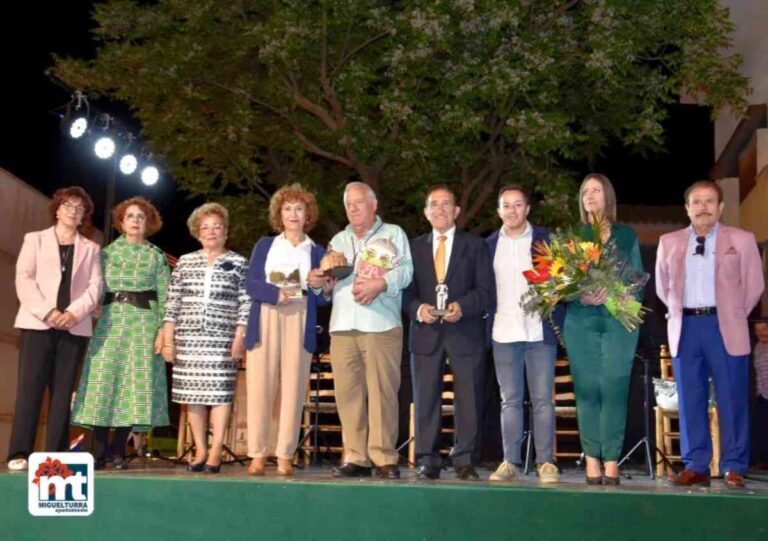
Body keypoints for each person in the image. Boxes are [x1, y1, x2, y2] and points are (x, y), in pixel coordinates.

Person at [656, 180, 764, 488]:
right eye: (697, 202)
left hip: (725, 326)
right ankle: (696, 465)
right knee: (690, 398)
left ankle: (734, 465)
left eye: (709, 201)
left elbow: (754, 285)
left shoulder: (741, 240)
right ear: (687, 208)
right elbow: (664, 287)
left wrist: (732, 314)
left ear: (720, 208)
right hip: (686, 327)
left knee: (732, 397)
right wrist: (680, 309)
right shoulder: (669, 241)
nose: (703, 207)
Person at [308, 182, 413, 479]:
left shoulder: (393, 234)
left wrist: (382, 283)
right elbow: (329, 288)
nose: (353, 208)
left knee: (382, 393)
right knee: (347, 394)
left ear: (374, 204)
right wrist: (322, 285)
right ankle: (356, 456)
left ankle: (383, 457)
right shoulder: (338, 240)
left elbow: (406, 272)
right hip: (341, 326)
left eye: (359, 202)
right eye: (348, 204)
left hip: (381, 324)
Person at [7, 186, 102, 472]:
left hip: (74, 328)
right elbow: (24, 279)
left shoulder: (92, 248)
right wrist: (48, 312)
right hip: (37, 324)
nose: (74, 211)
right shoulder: (34, 239)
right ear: (57, 208)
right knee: (29, 390)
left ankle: (57, 455)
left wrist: (73, 313)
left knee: (63, 394)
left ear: (84, 215)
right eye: (68, 205)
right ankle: (19, 452)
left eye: (80, 208)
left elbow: (95, 287)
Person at [71, 197, 170, 469]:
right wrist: (92, 310)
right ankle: (99, 450)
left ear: (148, 223)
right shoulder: (106, 254)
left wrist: (163, 331)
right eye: (130, 216)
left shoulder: (156, 256)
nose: (136, 221)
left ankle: (119, 451)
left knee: (134, 387)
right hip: (111, 323)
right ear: (121, 222)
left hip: (144, 325)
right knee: (105, 382)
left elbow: (166, 297)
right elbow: (92, 289)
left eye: (141, 216)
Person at [404, 184, 493, 480]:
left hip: (465, 331)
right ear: (426, 212)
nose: (440, 209)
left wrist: (462, 307)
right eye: (434, 204)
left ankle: (465, 458)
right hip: (425, 332)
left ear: (456, 211)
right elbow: (404, 292)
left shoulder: (476, 246)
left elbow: (485, 292)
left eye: (446, 204)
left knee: (468, 397)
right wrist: (418, 309)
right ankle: (428, 458)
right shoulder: (413, 247)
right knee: (426, 397)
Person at [562, 173, 643, 485]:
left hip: (618, 320)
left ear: (607, 196)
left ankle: (612, 459)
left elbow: (637, 283)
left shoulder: (626, 235)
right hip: (581, 321)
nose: (590, 196)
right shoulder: (573, 236)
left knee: (613, 388)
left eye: (595, 190)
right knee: (586, 390)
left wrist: (613, 294)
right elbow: (560, 285)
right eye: (585, 192)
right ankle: (591, 460)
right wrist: (579, 292)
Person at [244, 184, 329, 476]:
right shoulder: (265, 245)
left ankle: (284, 454)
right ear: (279, 214)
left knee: (294, 387)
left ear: (308, 215)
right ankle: (257, 454)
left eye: (299, 209)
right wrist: (273, 294)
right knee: (260, 386)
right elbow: (250, 283)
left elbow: (323, 293)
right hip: (267, 314)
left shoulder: (317, 250)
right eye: (288, 208)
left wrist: (321, 287)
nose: (293, 214)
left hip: (301, 315)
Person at [162, 203, 250, 474]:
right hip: (188, 338)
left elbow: (246, 303)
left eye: (217, 227)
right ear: (197, 233)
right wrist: (168, 339)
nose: (211, 232)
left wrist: (240, 336)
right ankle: (200, 448)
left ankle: (215, 451)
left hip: (223, 338)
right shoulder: (186, 262)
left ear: (226, 232)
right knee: (193, 395)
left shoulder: (238, 262)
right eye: (206, 228)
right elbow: (172, 302)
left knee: (221, 394)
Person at [485, 184, 564, 483]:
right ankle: (510, 462)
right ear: (499, 211)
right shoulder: (490, 245)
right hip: (503, 332)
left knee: (543, 400)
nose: (512, 210)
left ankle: (546, 462)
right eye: (506, 205)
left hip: (539, 332)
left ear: (527, 209)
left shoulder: (547, 241)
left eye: (518, 205)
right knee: (510, 401)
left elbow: (562, 283)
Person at [752, 319, 768, 469]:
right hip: (763, 394)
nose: (761, 333)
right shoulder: (758, 347)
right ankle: (763, 459)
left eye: (764, 329)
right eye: (758, 330)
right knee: (762, 427)